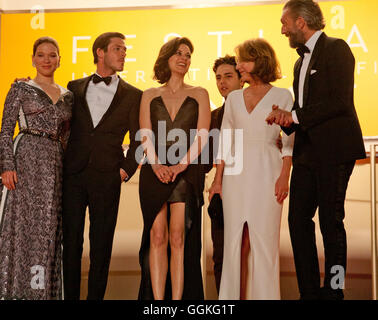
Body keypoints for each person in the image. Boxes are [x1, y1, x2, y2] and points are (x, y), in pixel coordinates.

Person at [266, 0, 366, 300]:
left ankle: (334, 291)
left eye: (285, 22)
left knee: (331, 223)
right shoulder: (298, 63)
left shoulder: (337, 49)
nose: (282, 29)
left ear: (300, 21)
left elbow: (340, 101)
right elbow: (303, 110)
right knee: (297, 221)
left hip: (336, 151)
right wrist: (286, 119)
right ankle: (309, 292)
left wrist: (295, 116)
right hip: (307, 153)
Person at [209, 38, 294, 300]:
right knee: (235, 242)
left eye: (243, 60)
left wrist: (284, 177)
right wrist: (218, 179)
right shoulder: (234, 98)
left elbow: (290, 141)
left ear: (259, 60)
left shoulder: (283, 95)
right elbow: (224, 140)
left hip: (269, 170)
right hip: (235, 175)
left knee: (265, 243)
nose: (239, 65)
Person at [62, 32, 143, 300]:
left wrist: (124, 170)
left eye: (125, 49)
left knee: (101, 246)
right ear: (100, 52)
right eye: (117, 48)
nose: (123, 54)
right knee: (70, 244)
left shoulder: (134, 94)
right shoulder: (73, 87)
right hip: (73, 175)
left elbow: (140, 139)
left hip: (108, 177)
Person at [138, 37, 211, 300]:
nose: (184, 58)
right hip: (154, 171)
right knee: (157, 236)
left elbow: (203, 134)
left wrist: (181, 165)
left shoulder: (200, 93)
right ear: (166, 58)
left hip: (186, 172)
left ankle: (178, 302)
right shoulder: (148, 95)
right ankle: (159, 303)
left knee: (178, 237)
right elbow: (145, 133)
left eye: (188, 55)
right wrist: (157, 164)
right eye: (178, 53)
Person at [0, 37, 72, 300]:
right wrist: (7, 166)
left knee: (48, 231)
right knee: (21, 230)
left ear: (60, 59)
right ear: (33, 59)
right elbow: (6, 131)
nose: (46, 60)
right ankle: (14, 293)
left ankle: (42, 293)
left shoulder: (68, 96)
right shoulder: (20, 89)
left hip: (54, 165)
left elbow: (67, 138)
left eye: (52, 55)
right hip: (25, 161)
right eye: (41, 55)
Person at [205, 55, 243, 294]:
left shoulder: (256, 109)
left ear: (242, 78)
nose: (222, 82)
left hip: (250, 193)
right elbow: (207, 159)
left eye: (228, 76)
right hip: (221, 195)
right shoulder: (214, 116)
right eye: (218, 77)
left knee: (247, 256)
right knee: (220, 257)